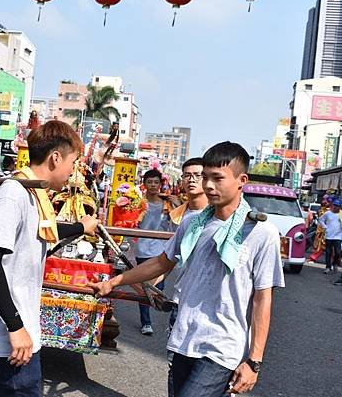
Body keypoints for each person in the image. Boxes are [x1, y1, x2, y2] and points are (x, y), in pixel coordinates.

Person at [90, 141, 285, 397]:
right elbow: (161, 262)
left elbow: (262, 300)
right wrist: (114, 282)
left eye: (218, 178)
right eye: (206, 177)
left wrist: (254, 361)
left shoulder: (261, 233)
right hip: (184, 339)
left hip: (222, 348)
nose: (209, 186)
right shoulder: (192, 223)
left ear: (242, 180)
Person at [0, 120, 98, 397]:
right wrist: (16, 327)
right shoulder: (15, 193)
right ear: (55, 158)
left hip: (17, 338)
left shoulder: (34, 193)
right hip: (6, 343)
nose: (73, 172)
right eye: (73, 163)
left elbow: (45, 229)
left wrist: (81, 227)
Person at [161, 157, 209, 397]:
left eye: (197, 175)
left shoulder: (233, 221)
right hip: (182, 304)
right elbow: (166, 260)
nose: (191, 180)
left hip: (211, 312)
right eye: (187, 175)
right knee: (176, 370)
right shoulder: (182, 216)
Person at [136, 168, 169, 336]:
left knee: (158, 288)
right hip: (142, 249)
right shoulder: (137, 202)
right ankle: (146, 322)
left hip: (161, 251)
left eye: (156, 182)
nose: (153, 185)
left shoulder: (168, 204)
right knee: (145, 288)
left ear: (161, 184)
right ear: (145, 184)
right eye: (150, 182)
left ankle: (154, 310)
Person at [318, 198, 342, 274]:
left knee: (338, 252)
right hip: (329, 236)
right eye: (334, 205)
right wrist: (325, 227)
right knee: (328, 252)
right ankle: (328, 267)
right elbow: (321, 220)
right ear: (332, 205)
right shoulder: (328, 213)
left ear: (340, 207)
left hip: (338, 236)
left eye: (337, 206)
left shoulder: (341, 214)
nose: (335, 207)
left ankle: (334, 263)